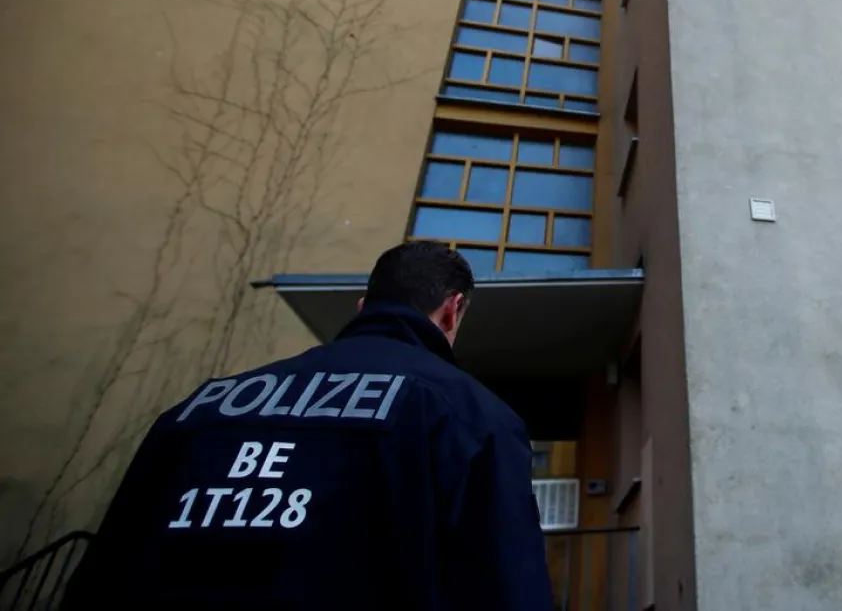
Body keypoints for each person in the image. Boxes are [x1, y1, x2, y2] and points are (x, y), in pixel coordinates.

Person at [62, 242, 554, 611]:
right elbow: (508, 588)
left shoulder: (201, 407)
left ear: (363, 305)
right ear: (453, 309)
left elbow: (102, 573)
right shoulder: (472, 416)